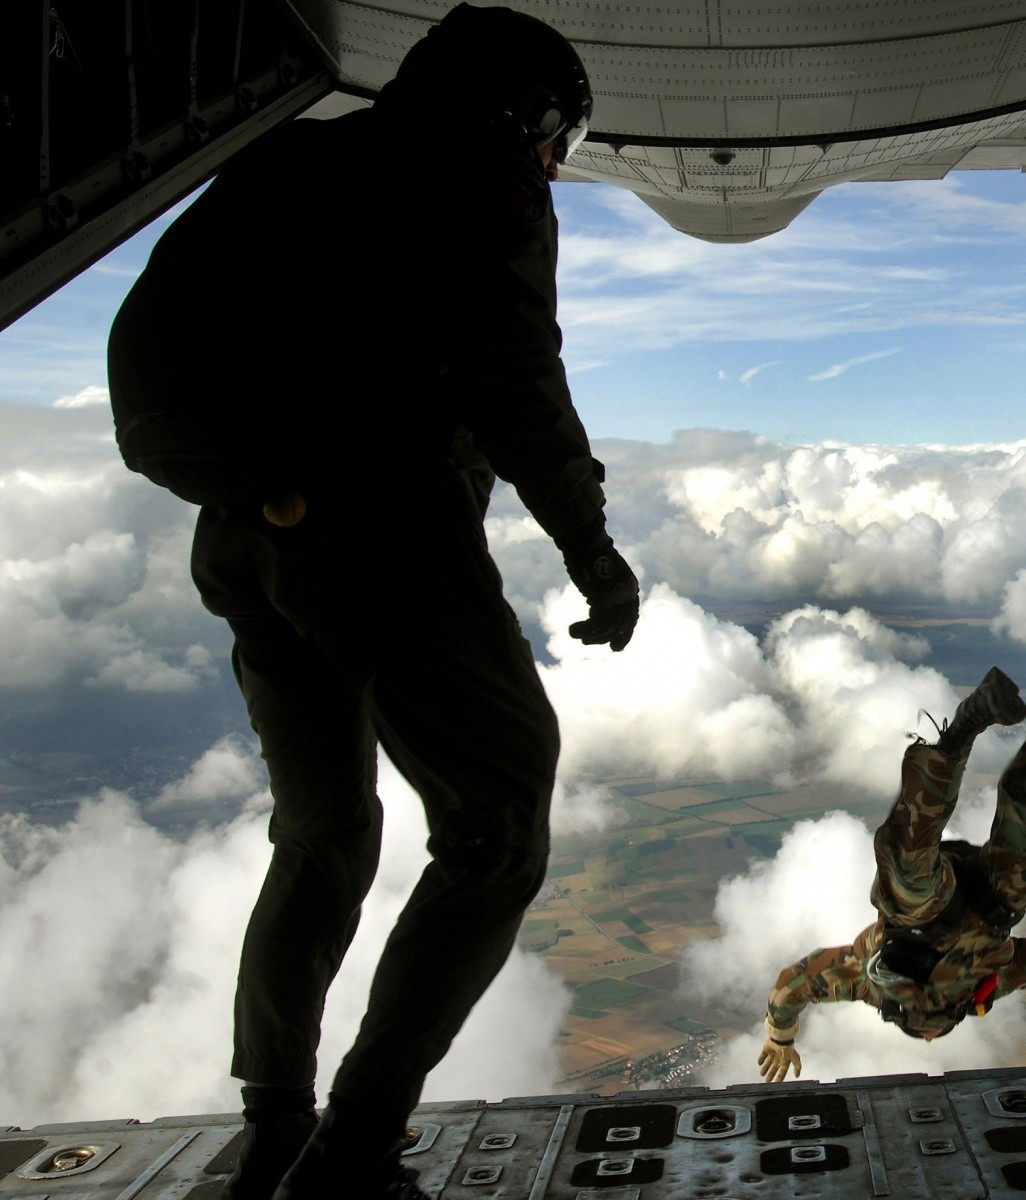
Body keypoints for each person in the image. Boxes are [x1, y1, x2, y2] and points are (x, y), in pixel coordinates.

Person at [106, 7, 636, 1198]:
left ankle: (276, 1118)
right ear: (533, 117)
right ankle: (354, 1151)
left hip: (248, 548)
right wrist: (593, 556)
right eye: (559, 142)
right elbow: (517, 383)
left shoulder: (286, 161)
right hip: (383, 541)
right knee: (498, 822)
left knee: (324, 835)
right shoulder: (482, 174)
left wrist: (266, 495)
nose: (554, 165)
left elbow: (143, 366)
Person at [757, 609, 1026, 1082]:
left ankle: (964, 728)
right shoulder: (992, 980)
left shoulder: (867, 983)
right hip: (994, 899)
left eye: (925, 1028)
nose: (931, 1032)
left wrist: (779, 1034)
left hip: (919, 912)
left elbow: (795, 982)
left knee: (910, 876)